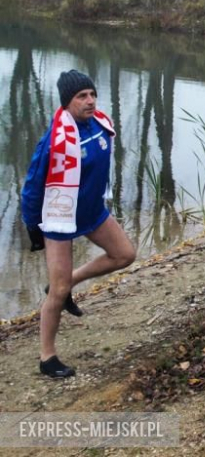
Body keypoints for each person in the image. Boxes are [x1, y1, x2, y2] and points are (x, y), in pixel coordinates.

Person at [22, 70, 136, 378]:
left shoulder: (99, 125)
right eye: (81, 97)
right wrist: (33, 226)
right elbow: (32, 186)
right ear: (67, 102)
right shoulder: (54, 142)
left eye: (92, 94)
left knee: (125, 254)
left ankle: (70, 280)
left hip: (90, 212)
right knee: (57, 292)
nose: (90, 101)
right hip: (58, 218)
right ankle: (47, 358)